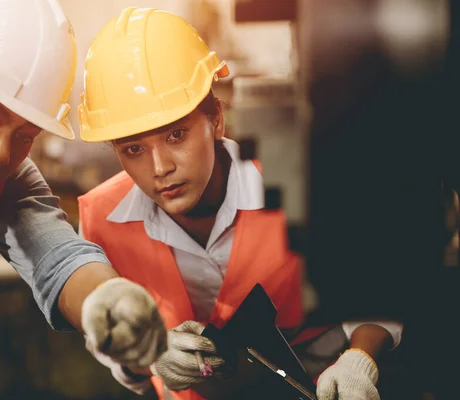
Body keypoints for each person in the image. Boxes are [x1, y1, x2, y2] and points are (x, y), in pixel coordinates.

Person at [77, 7, 403, 400]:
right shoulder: (102, 224)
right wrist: (150, 354)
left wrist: (359, 359)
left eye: (176, 135)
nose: (160, 167)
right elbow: (116, 351)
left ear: (216, 119)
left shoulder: (298, 177)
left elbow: (378, 286)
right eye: (133, 149)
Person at [0, 0, 167, 373]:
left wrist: (106, 301)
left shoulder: (1, 181)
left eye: (25, 136)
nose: (0, 153)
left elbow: (55, 254)